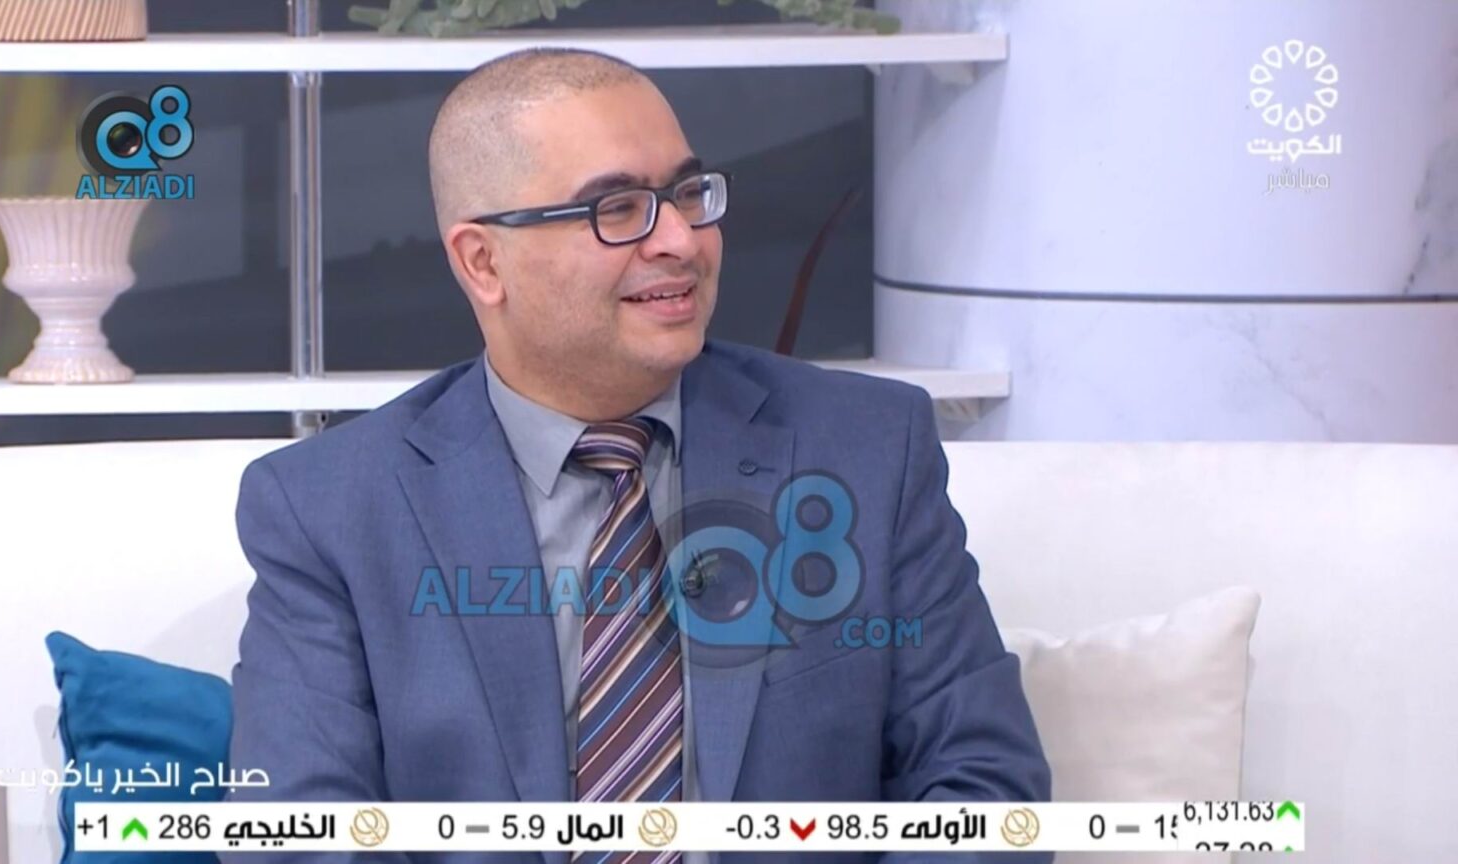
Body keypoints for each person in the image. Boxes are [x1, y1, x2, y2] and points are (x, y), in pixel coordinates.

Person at [226, 47, 1051, 864]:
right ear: (484, 262)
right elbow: (297, 836)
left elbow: (984, 789)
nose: (681, 240)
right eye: (617, 209)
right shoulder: (330, 508)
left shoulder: (867, 448)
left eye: (688, 194)